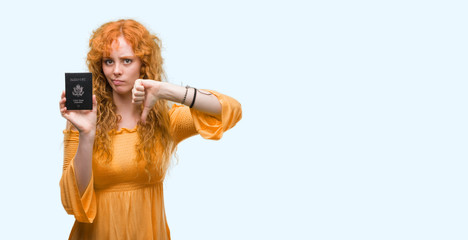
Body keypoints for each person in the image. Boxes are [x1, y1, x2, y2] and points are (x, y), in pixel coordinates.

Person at [58, 19, 242, 240]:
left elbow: (230, 110)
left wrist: (165, 90)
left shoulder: (165, 120)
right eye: (109, 61)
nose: (116, 71)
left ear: (143, 64)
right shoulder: (83, 118)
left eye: (127, 61)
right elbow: (72, 202)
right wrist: (87, 134)